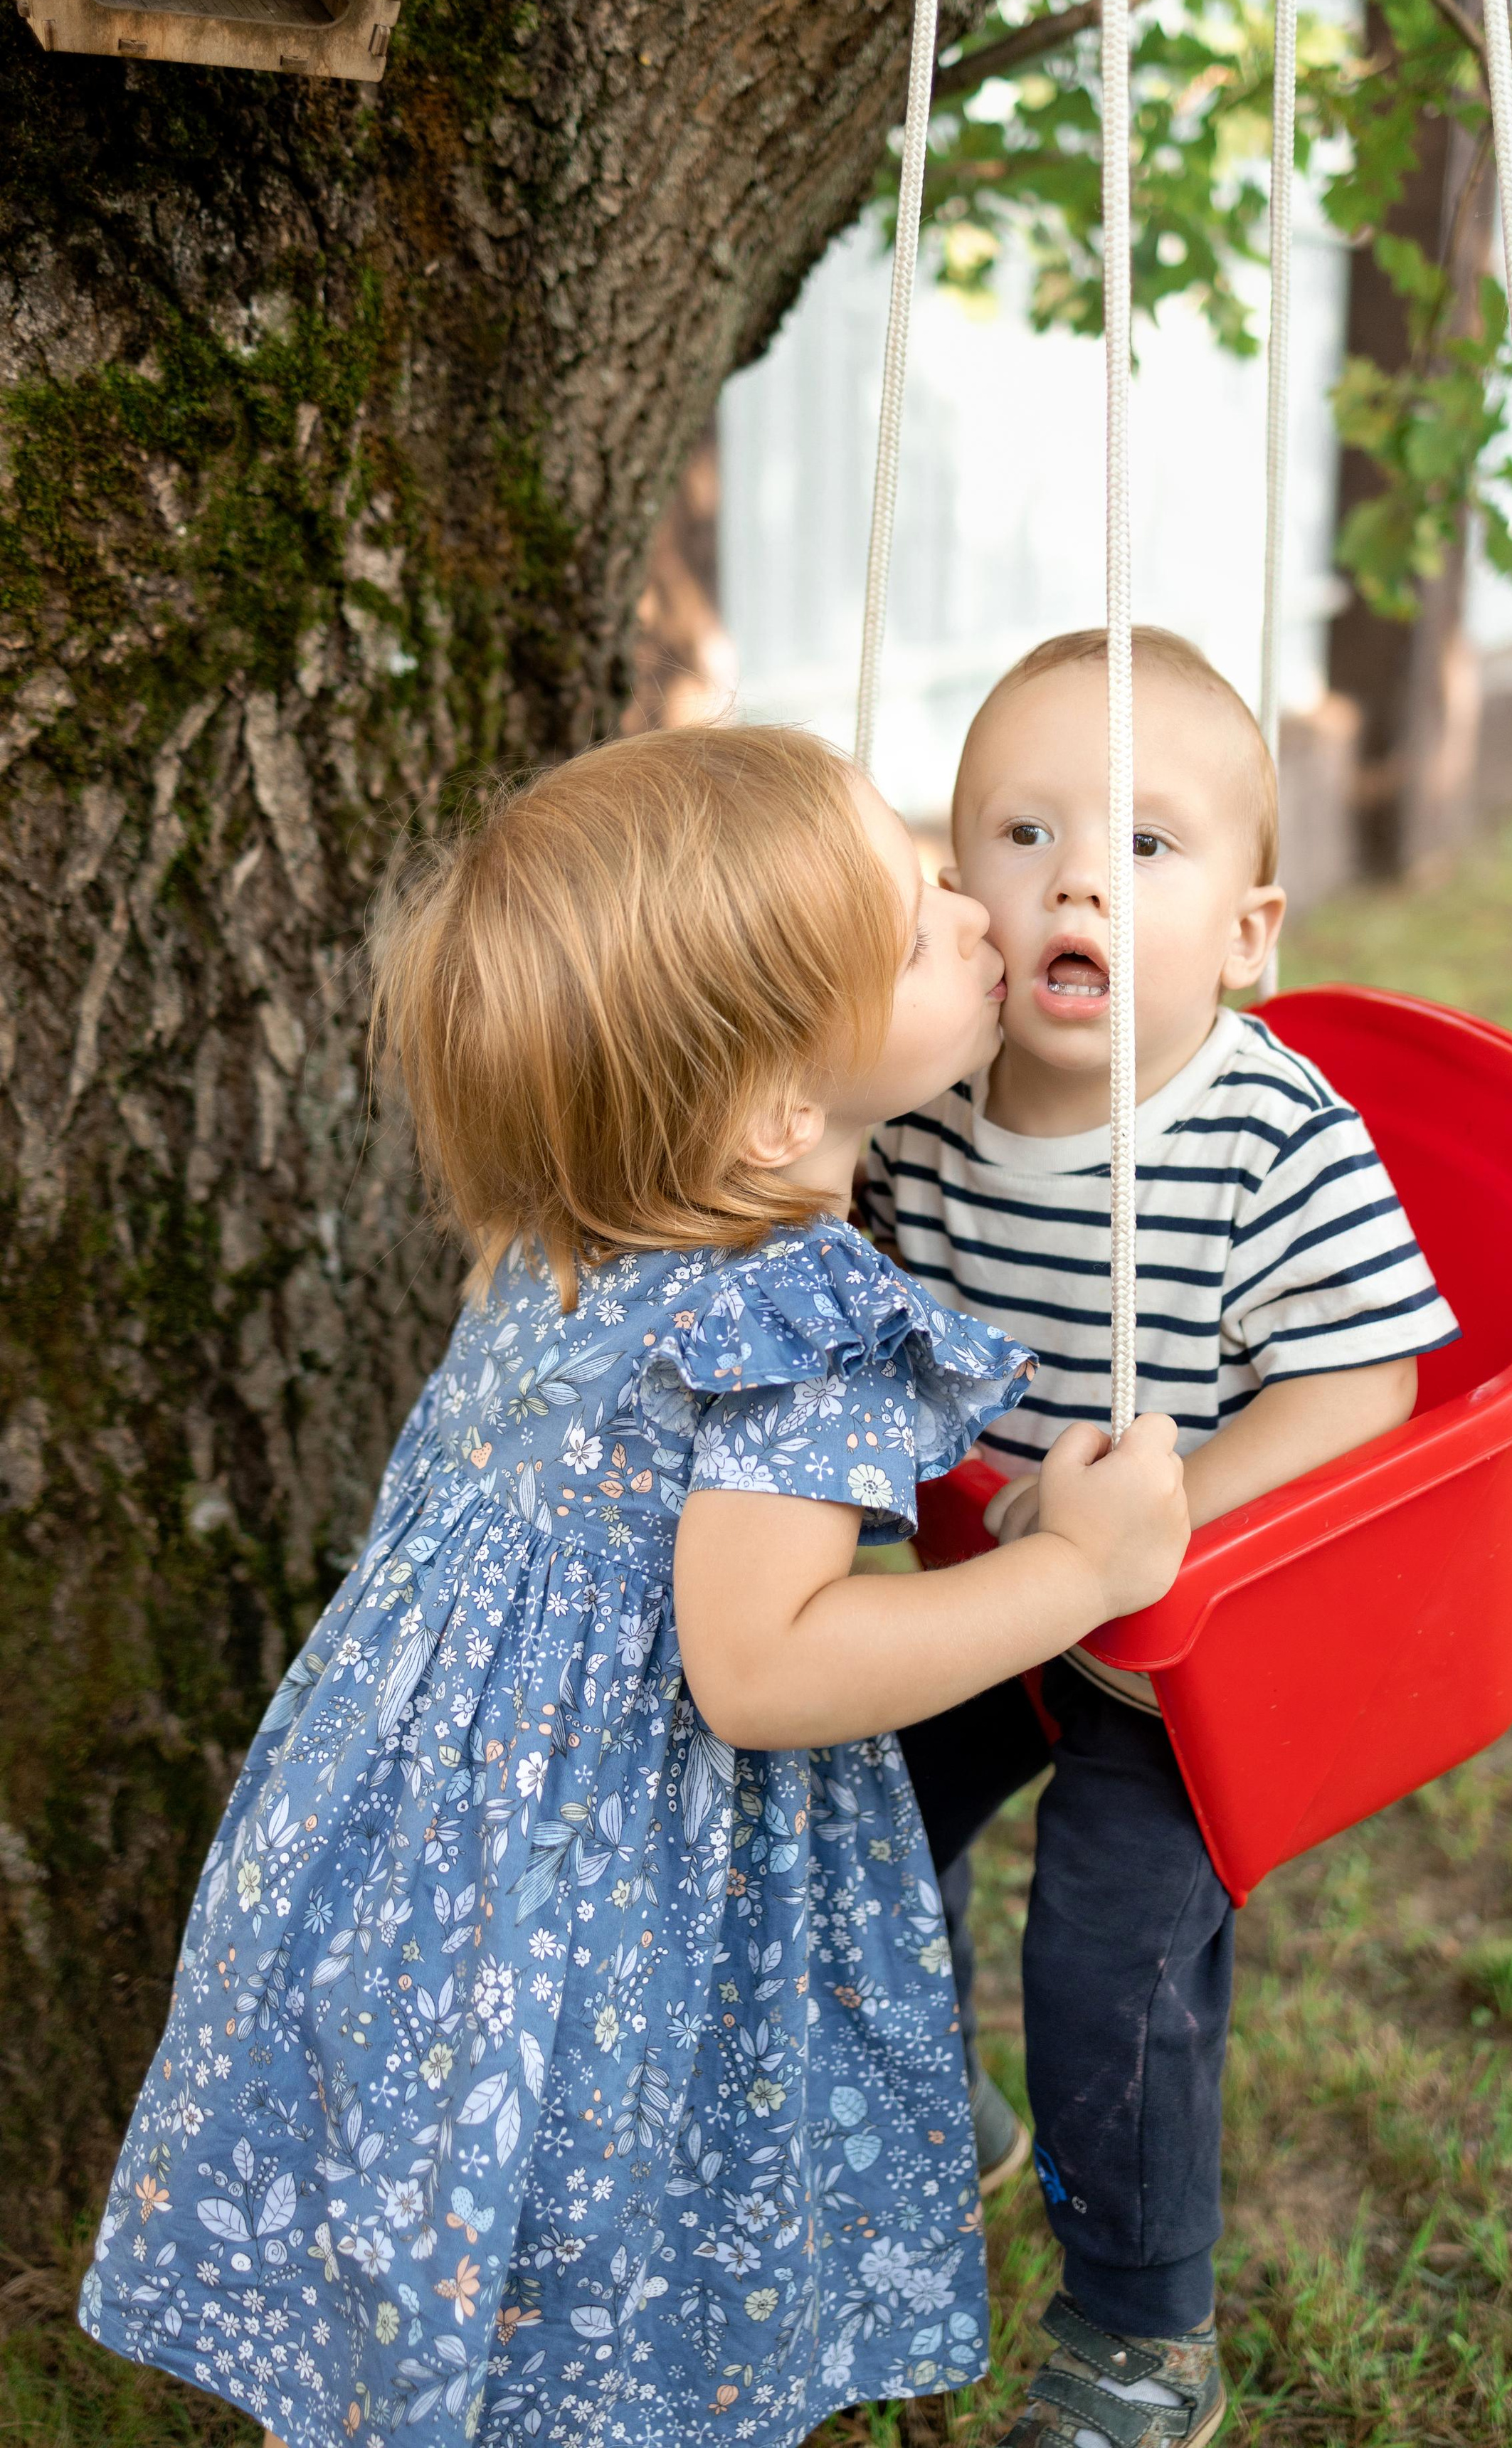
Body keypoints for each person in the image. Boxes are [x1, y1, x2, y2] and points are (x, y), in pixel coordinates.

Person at [79, 722, 1194, 2448]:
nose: (979, 910)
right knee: (625, 2189)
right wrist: (1072, 1568)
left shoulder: (556, 1228)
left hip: (418, 1856)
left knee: (471, 2169)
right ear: (766, 1109)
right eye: (915, 923)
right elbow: (766, 1667)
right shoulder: (790, 1323)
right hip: (617, 1873)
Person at [864, 629, 1460, 2448]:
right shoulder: (928, 1117)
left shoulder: (1269, 1134)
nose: (1074, 880)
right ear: (958, 895)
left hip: (1190, 1656)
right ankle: (917, 2093)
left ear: (1250, 933)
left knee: (1108, 1961)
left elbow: (1363, 1392)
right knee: (855, 1808)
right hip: (998, 1601)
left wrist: (1155, 1522)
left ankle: (1138, 2330)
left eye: (1144, 846)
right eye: (1022, 834)